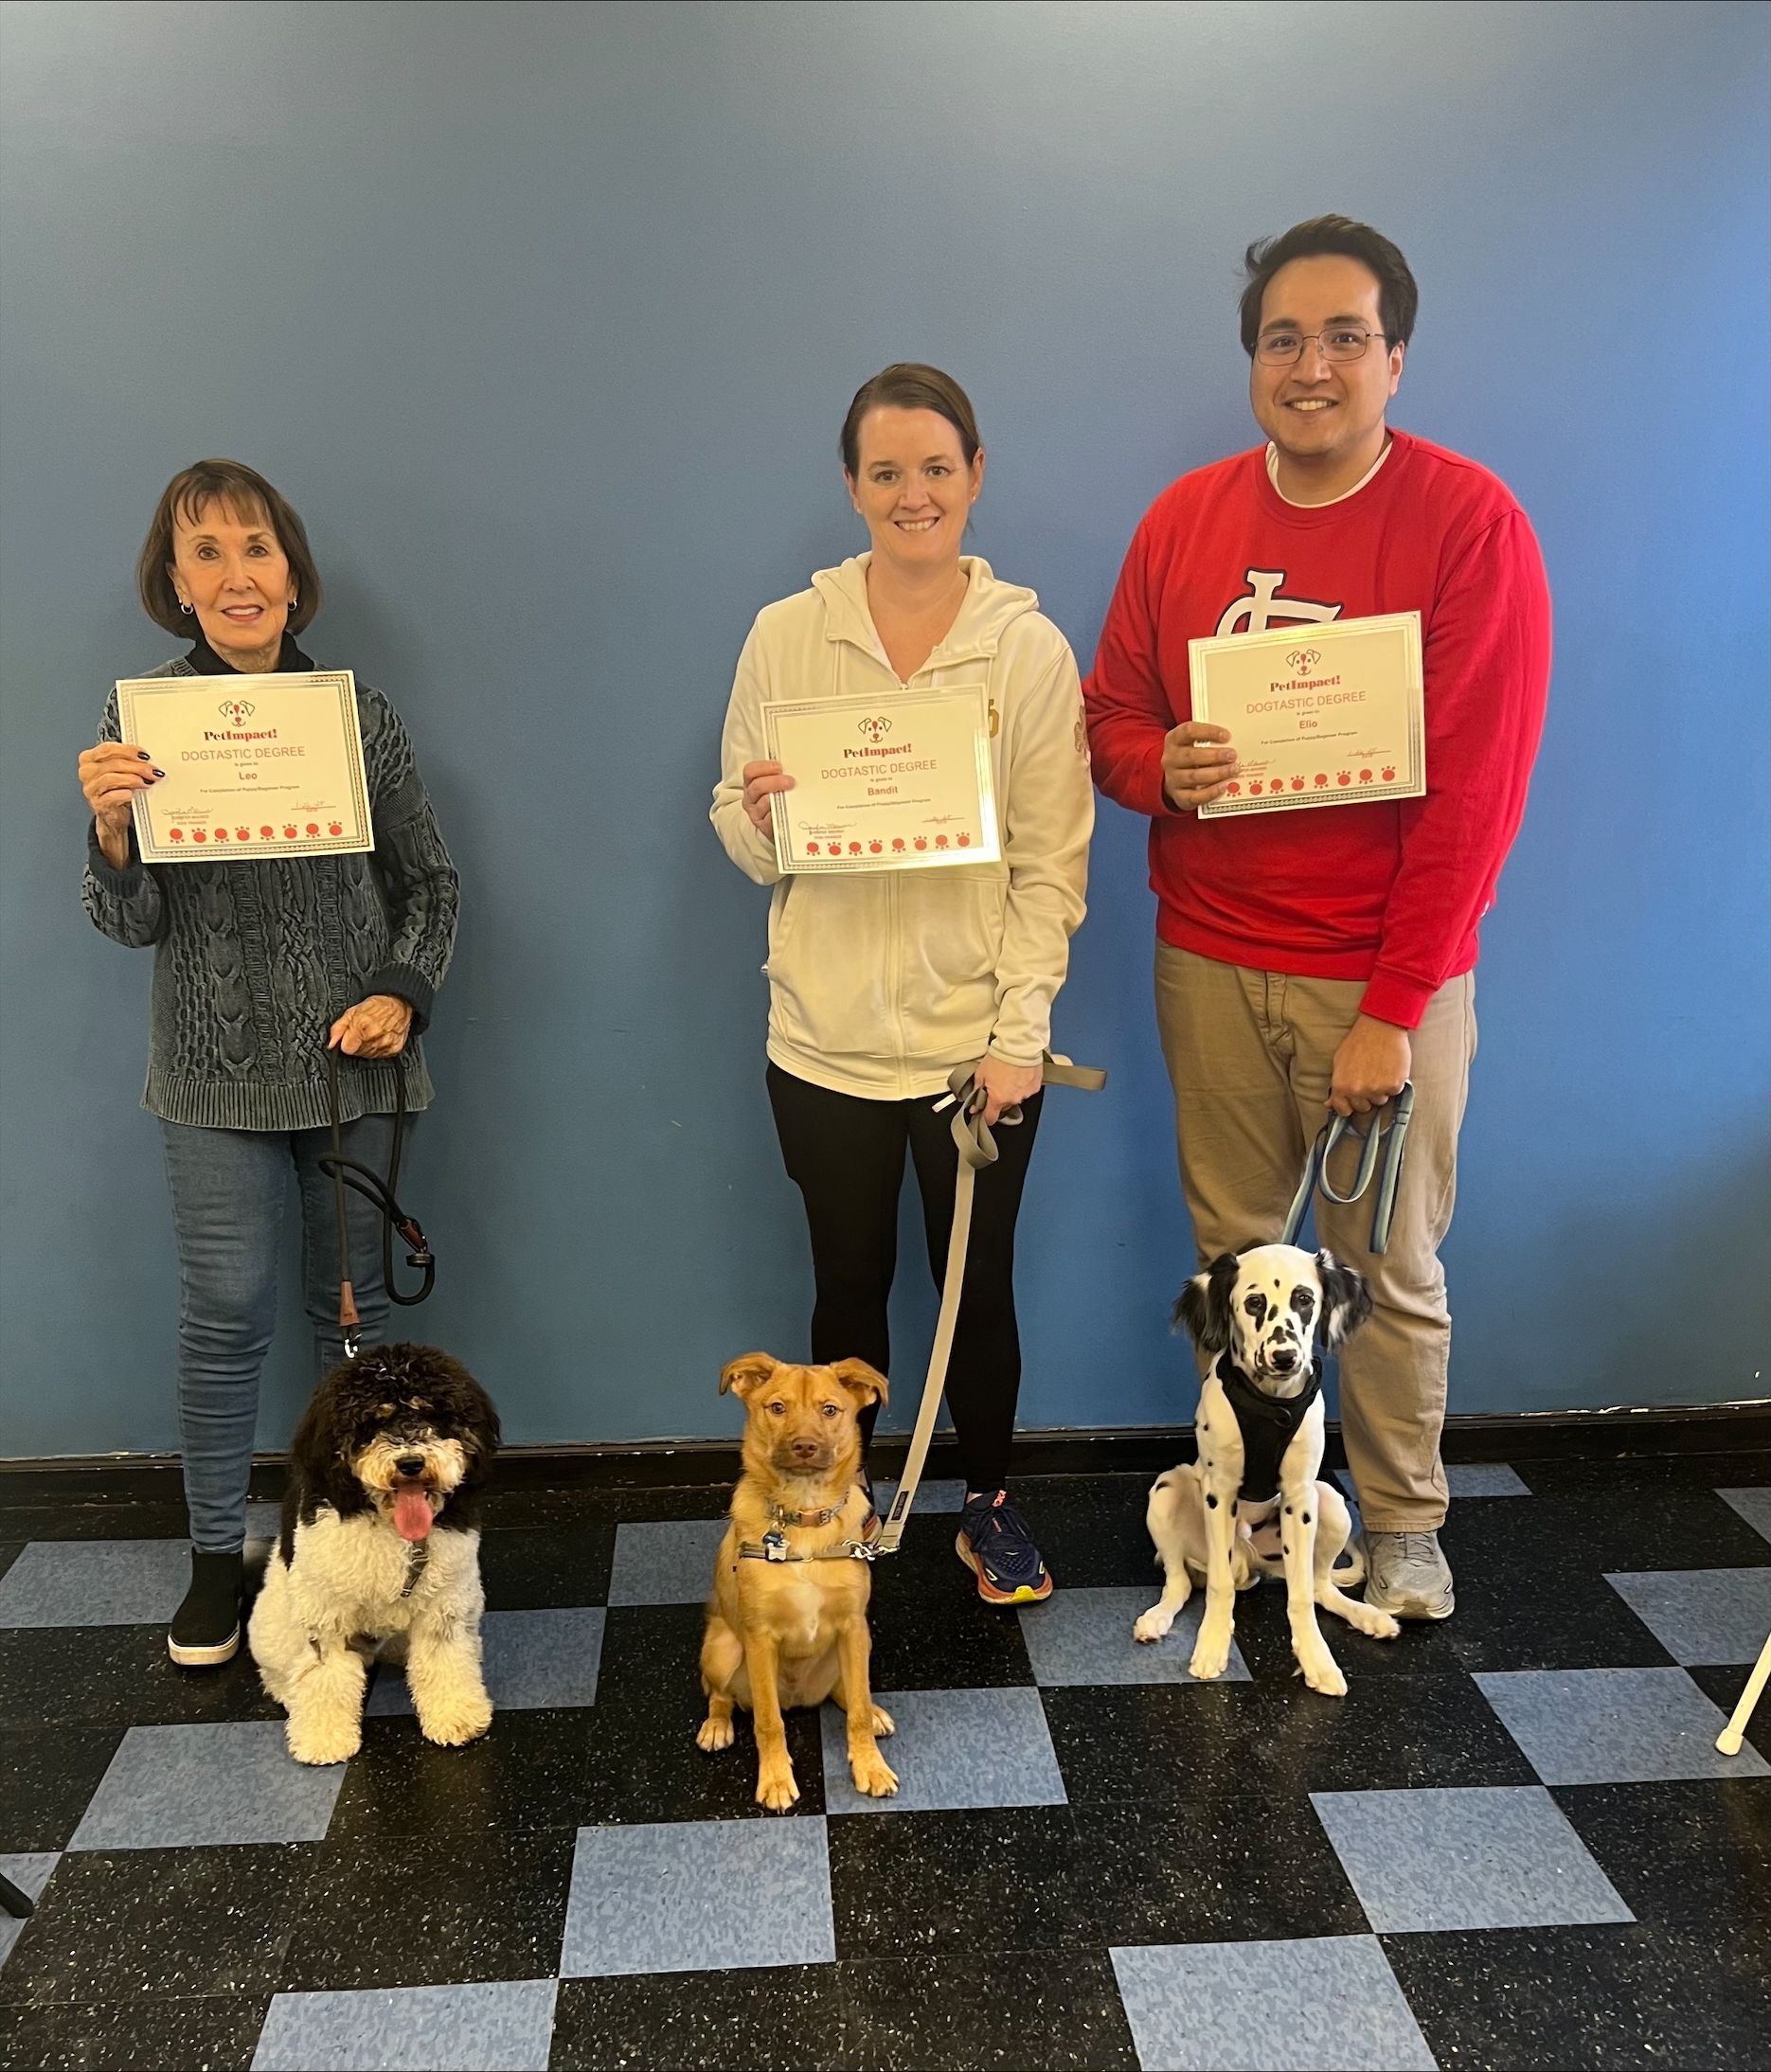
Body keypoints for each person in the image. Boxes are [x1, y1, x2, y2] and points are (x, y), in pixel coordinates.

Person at [1084, 218, 1551, 1619]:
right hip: (1210, 958)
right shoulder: (1182, 521)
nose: (1311, 364)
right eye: (1282, 338)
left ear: (1393, 360)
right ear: (1251, 363)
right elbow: (1114, 718)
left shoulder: (1469, 524)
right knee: (1236, 1266)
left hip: (1380, 979)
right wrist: (1153, 766)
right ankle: (1252, 1512)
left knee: (1385, 1268)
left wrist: (1395, 1008)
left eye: (1345, 336)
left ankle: (1403, 1523)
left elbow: (1474, 796)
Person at [712, 365, 1093, 1605]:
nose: (912, 493)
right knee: (846, 1287)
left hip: (969, 1048)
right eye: (886, 472)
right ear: (851, 487)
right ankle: (843, 1505)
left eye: (936, 468)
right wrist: (765, 819)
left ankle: (987, 1507)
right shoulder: (786, 634)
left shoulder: (1024, 652)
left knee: (976, 1292)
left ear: (975, 477)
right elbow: (738, 820)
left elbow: (1051, 860)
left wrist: (1016, 1034)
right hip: (819, 1042)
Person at [79, 459, 459, 1665]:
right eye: (206, 554)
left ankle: (347, 1553)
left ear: (293, 574)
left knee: (347, 1320)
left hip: (351, 1076)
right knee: (225, 1313)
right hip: (211, 1077)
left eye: (256, 548)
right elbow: (129, 923)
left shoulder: (361, 714)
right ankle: (213, 1561)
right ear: (176, 586)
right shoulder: (136, 722)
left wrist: (402, 991)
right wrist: (110, 834)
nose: (235, 575)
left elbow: (430, 886)